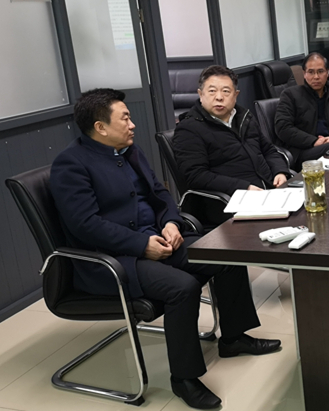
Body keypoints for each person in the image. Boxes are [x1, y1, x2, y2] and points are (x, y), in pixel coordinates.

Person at [50, 89, 281, 410]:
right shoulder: (71, 164)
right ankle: (184, 378)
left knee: (225, 251)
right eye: (125, 118)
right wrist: (141, 245)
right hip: (114, 259)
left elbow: (160, 194)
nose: (132, 124)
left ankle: (234, 338)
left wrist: (171, 222)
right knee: (181, 287)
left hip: (158, 238)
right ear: (100, 127)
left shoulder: (128, 151)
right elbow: (85, 225)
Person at [173, 65, 289, 197]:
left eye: (226, 91)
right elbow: (196, 176)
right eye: (212, 91)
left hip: (270, 190)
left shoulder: (245, 117)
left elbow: (268, 150)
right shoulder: (189, 129)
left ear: (235, 95)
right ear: (201, 94)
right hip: (233, 199)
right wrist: (244, 188)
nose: (219, 97)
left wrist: (280, 171)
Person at [275, 52, 329, 169]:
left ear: (327, 73)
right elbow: (283, 128)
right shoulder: (290, 95)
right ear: (304, 74)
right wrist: (313, 141)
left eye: (320, 71)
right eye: (311, 72)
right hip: (304, 152)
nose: (316, 77)